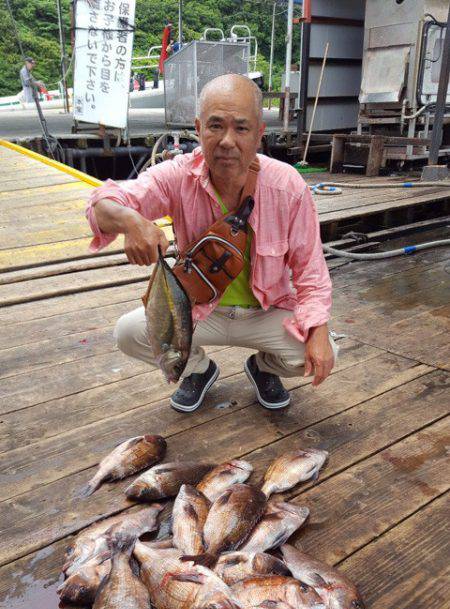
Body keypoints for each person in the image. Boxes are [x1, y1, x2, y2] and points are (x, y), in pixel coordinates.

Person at [86, 74, 337, 413]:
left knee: (324, 351)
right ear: (199, 128)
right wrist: (132, 222)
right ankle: (198, 370)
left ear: (260, 134)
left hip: (266, 312)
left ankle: (263, 367)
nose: (227, 141)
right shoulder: (177, 175)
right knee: (129, 332)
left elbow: (311, 273)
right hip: (201, 312)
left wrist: (318, 329)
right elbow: (102, 202)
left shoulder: (288, 186)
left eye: (242, 128)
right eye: (216, 126)